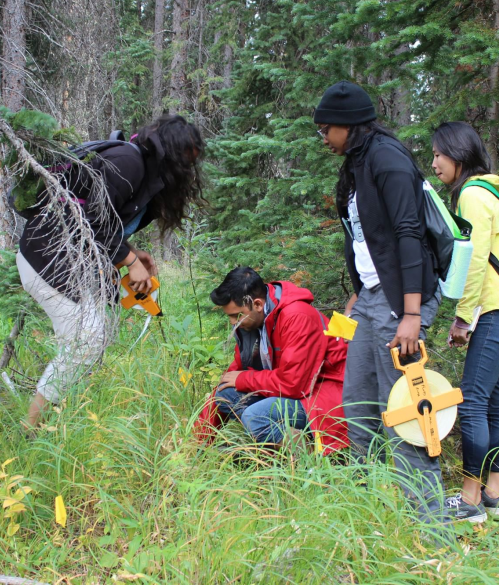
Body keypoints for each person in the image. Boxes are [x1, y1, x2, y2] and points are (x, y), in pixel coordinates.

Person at [18, 115, 204, 428]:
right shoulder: (128, 161)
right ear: (171, 153)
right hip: (46, 259)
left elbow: (102, 226)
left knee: (92, 341)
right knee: (87, 340)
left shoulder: (145, 174)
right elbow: (93, 220)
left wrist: (132, 252)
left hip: (69, 262)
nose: (189, 169)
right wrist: (129, 261)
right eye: (187, 159)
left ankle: (64, 422)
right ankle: (30, 429)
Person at [314, 81, 445, 521]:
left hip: (401, 303)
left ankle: (432, 530)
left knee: (407, 416)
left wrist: (411, 314)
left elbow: (408, 235)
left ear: (348, 125)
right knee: (359, 407)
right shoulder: (357, 162)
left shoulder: (387, 158)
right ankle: (369, 520)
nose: (324, 139)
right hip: (371, 299)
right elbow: (368, 239)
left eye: (326, 130)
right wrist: (356, 294)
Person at [432, 121, 499, 522]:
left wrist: (462, 318)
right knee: (496, 406)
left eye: (438, 154)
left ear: (458, 154)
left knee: (471, 404)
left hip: (492, 310)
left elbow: (475, 262)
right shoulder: (490, 192)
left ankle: (470, 501)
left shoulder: (471, 195)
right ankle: (495, 494)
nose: (434, 162)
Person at [194, 267, 348, 454]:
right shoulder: (252, 322)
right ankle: (279, 443)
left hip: (327, 398)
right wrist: (196, 443)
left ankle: (308, 460)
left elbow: (294, 385)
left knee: (255, 416)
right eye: (230, 317)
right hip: (299, 395)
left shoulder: (297, 316)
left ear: (257, 304)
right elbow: (230, 378)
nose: (234, 322)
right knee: (225, 394)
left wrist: (244, 379)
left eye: (236, 315)